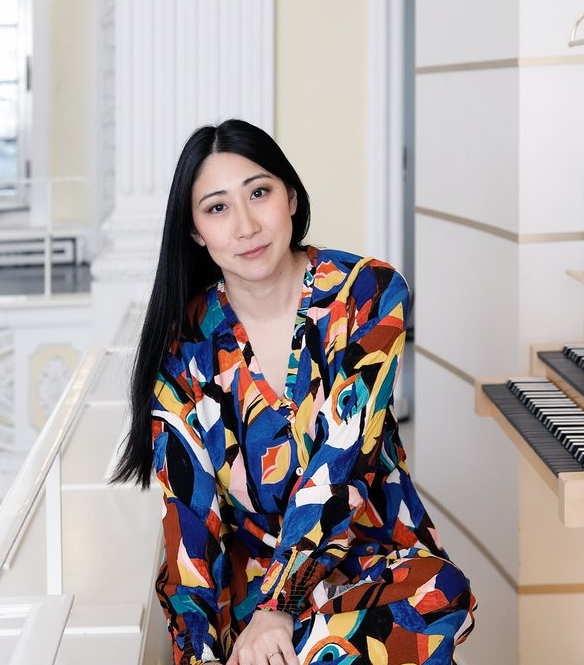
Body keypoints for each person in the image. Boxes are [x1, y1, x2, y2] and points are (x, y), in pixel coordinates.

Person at [113, 119, 475, 665]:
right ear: (196, 232)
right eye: (217, 208)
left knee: (440, 595)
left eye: (259, 193)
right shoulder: (184, 344)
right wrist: (202, 654)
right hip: (252, 604)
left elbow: (343, 462)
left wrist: (281, 605)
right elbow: (191, 521)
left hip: (372, 569)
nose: (245, 225)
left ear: (291, 198)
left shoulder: (366, 293)